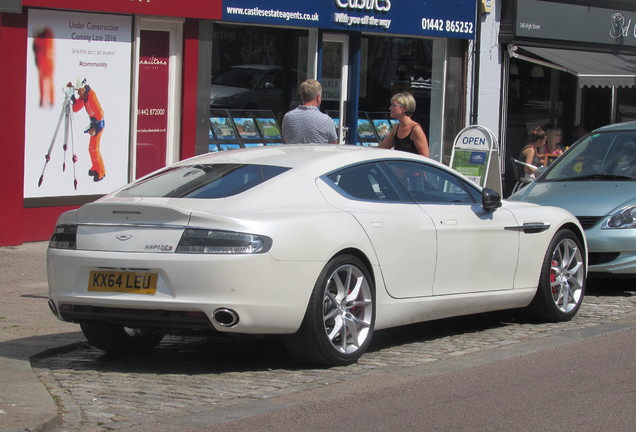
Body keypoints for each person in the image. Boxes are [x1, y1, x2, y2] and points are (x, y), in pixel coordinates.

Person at [68, 79, 106, 182]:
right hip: (93, 124)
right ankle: (95, 167)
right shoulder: (83, 97)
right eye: (78, 92)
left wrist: (95, 128)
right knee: (91, 148)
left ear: (84, 89)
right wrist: (72, 95)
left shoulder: (91, 98)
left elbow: (100, 114)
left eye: (79, 91)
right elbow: (75, 108)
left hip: (98, 125)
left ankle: (101, 172)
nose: (78, 93)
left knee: (95, 149)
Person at [282, 79, 337, 144]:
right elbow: (333, 145)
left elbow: (286, 139)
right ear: (318, 97)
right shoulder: (326, 120)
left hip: (295, 153)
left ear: (302, 97)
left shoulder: (288, 117)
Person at [379, 92, 430, 157]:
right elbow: (381, 148)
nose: (390, 108)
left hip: (410, 166)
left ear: (404, 108)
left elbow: (425, 155)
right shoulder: (397, 128)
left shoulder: (415, 129)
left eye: (394, 105)